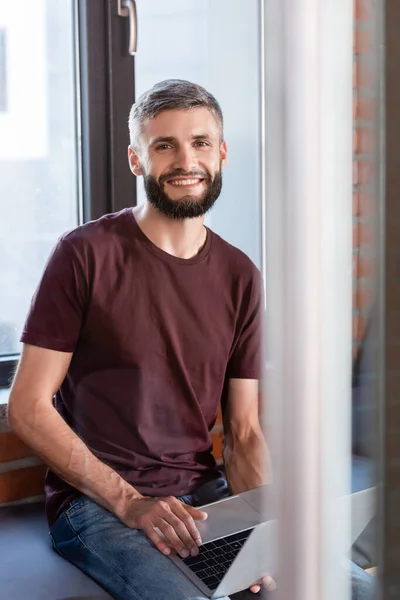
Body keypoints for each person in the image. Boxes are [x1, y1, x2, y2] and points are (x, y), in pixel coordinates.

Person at [7, 79, 373, 600]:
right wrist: (132, 503)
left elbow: (244, 433)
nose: (186, 160)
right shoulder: (84, 254)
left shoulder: (240, 275)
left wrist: (265, 539)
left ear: (220, 154)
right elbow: (26, 408)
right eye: (164, 145)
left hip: (203, 496)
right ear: (137, 160)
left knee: (344, 589)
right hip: (99, 506)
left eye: (200, 143)